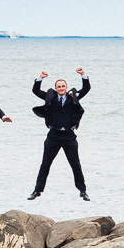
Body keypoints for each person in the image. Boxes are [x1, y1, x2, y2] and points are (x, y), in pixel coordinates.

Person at [28, 68, 91, 201]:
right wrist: (40, 78)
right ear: (56, 88)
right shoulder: (50, 97)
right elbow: (36, 91)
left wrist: (83, 75)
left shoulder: (73, 97)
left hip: (69, 136)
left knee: (75, 164)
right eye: (59, 87)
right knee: (45, 163)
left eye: (63, 86)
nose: (61, 88)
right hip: (53, 136)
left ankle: (82, 191)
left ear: (66, 88)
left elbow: (86, 89)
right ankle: (37, 190)